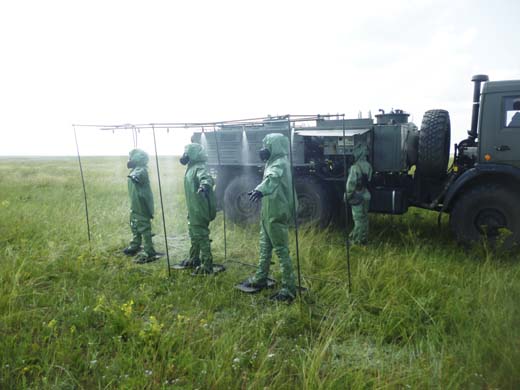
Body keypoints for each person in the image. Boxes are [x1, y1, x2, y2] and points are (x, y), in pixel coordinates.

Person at [241, 133, 297, 302]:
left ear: (275, 147)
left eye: (267, 146)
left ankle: (288, 288)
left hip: (276, 213)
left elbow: (272, 178)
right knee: (265, 247)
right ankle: (260, 278)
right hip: (269, 213)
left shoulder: (279, 164)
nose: (263, 150)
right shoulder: (272, 162)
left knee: (281, 251)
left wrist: (260, 189)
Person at [179, 143, 217, 275]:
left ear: (193, 154)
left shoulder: (199, 168)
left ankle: (207, 265)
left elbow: (206, 178)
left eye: (187, 152)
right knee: (194, 234)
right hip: (193, 208)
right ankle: (194, 258)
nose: (185, 155)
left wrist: (204, 186)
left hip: (199, 209)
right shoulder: (191, 168)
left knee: (201, 235)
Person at [123, 149, 158, 263]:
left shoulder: (141, 170)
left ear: (137, 159)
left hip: (141, 203)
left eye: (131, 158)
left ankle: (149, 252)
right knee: (134, 224)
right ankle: (135, 245)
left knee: (143, 226)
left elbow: (138, 175)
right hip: (135, 203)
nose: (129, 160)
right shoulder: (135, 169)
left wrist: (134, 176)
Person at [345, 143, 373, 245]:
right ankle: (363, 238)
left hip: (357, 195)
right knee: (364, 219)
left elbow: (351, 185)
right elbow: (369, 179)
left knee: (358, 219)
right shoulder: (368, 166)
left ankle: (357, 241)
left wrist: (347, 196)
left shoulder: (354, 168)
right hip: (366, 194)